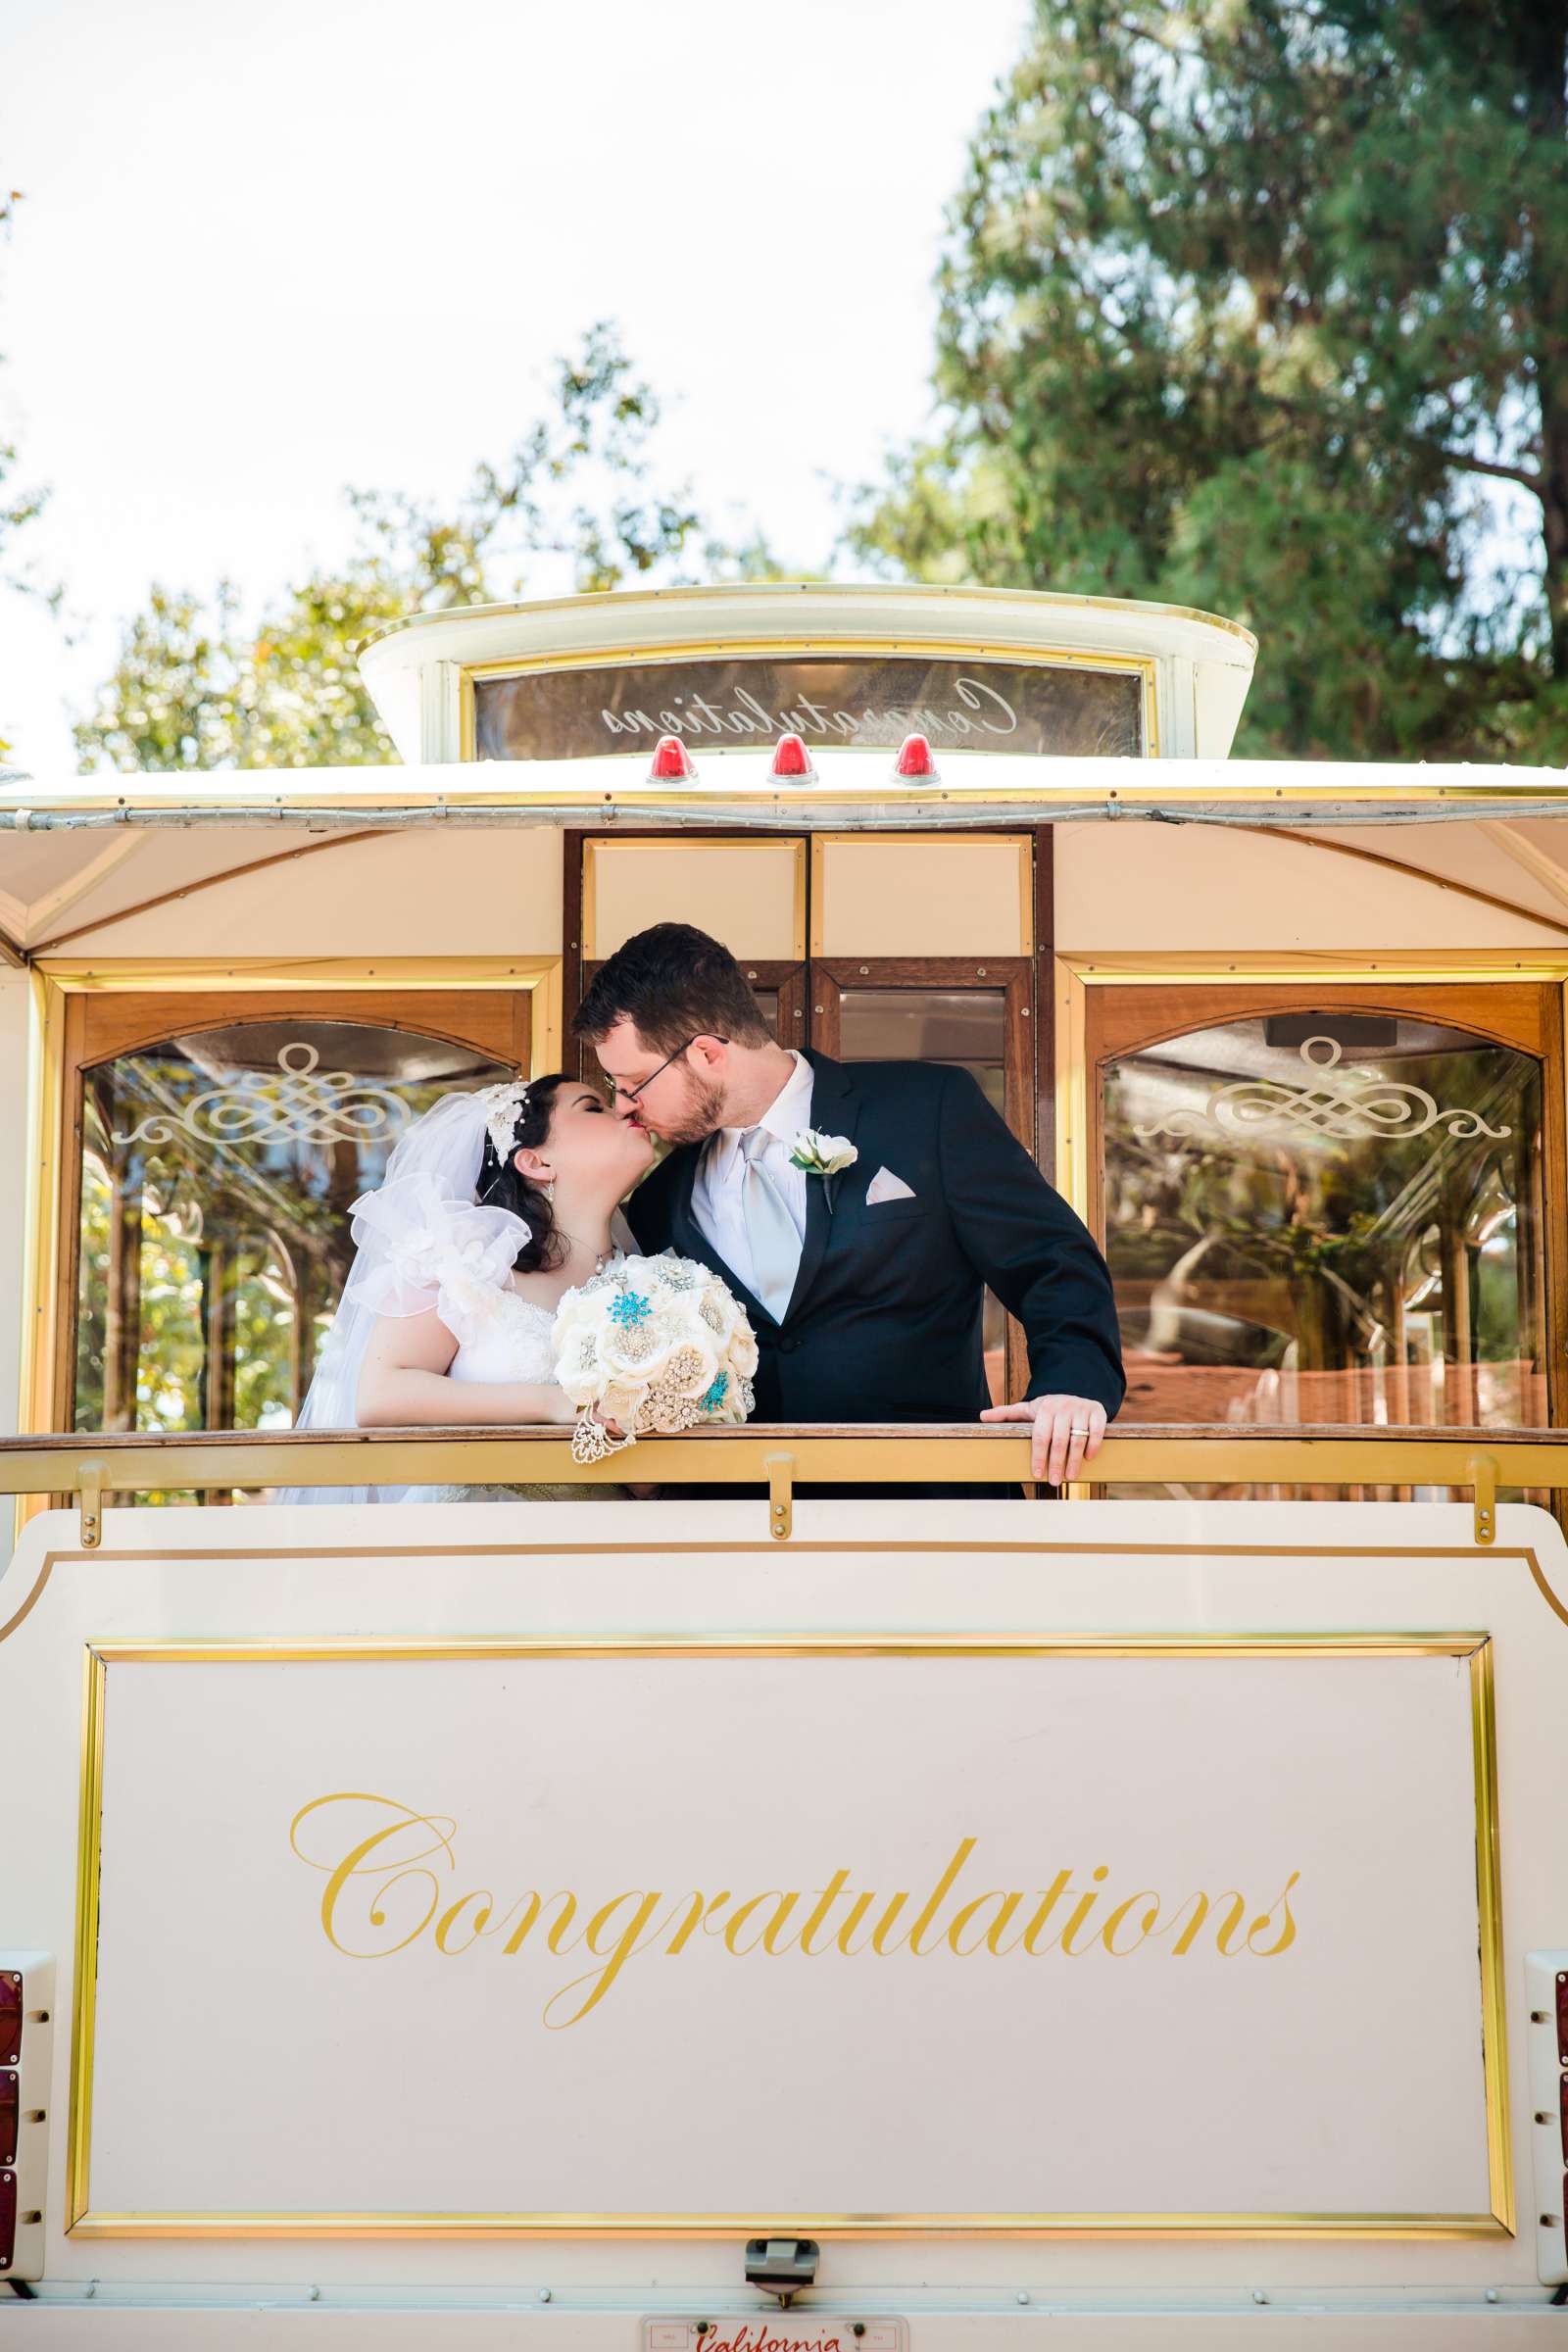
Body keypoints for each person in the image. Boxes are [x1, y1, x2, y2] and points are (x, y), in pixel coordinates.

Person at [574, 923, 1124, 1487]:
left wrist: (1071, 1385)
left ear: (708, 1053)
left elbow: (1052, 1261)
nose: (624, 1106)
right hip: (739, 1526)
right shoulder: (660, 1199)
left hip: (930, 1508)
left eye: (633, 1082)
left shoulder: (926, 1109)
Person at [284, 1072, 652, 1501]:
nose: (623, 1107)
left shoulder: (651, 1285)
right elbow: (380, 1395)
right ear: (536, 1161)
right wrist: (552, 1405)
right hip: (474, 1544)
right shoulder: (465, 1260)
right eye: (593, 1107)